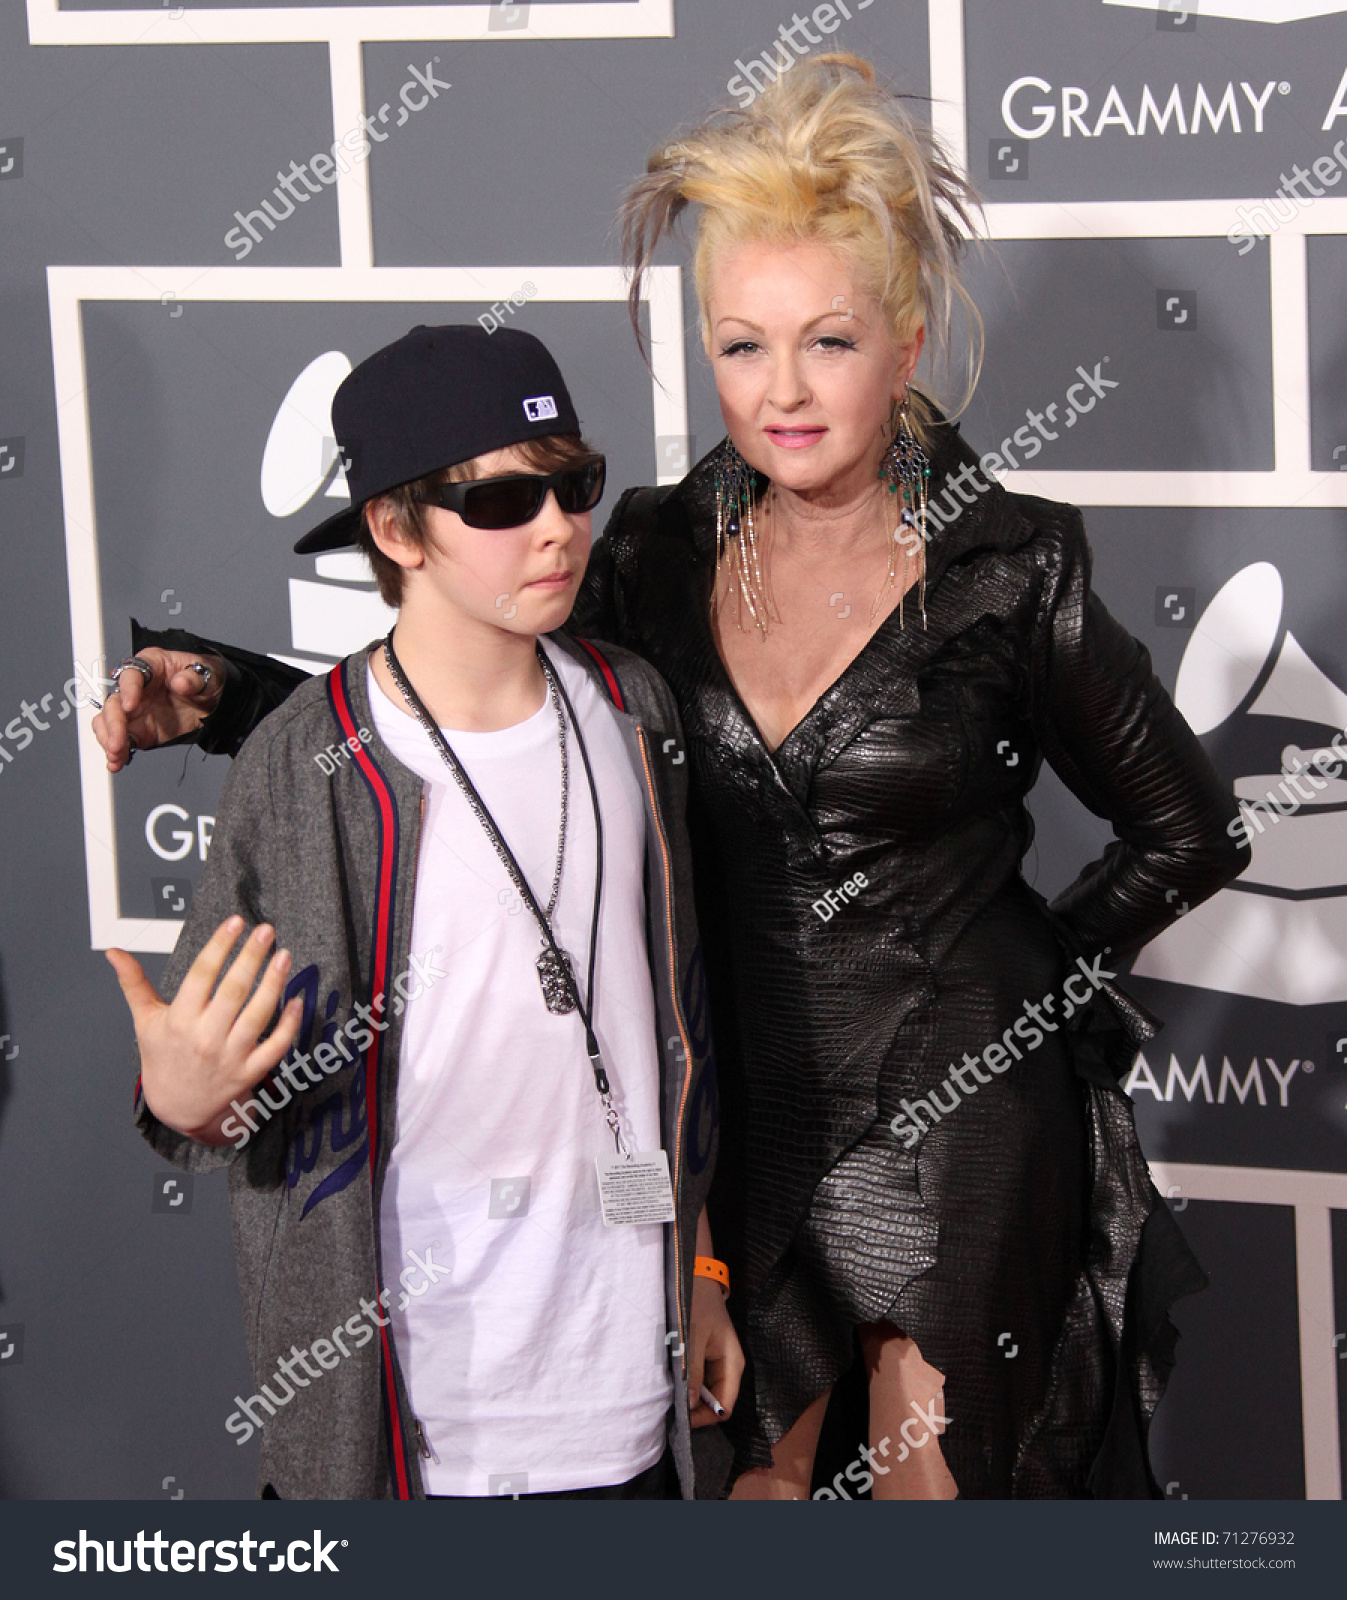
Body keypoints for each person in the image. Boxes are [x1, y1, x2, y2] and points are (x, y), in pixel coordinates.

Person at [96, 57, 1246, 1499]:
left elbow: (1186, 831)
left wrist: (1017, 992)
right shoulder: (649, 549)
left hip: (949, 1131)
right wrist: (223, 697)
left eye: (825, 342)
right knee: (750, 1506)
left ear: (901, 342)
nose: (782, 393)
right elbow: (478, 705)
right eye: (740, 346)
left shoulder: (1009, 563)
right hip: (733, 1120)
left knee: (927, 1508)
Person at [106, 324, 742, 1501]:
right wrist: (181, 1102)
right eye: (503, 501)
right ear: (395, 531)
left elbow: (679, 1030)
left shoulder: (634, 712)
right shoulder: (304, 766)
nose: (557, 526)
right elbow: (197, 1078)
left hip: (633, 1407)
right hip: (405, 1422)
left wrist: (698, 1263)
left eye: (574, 485)